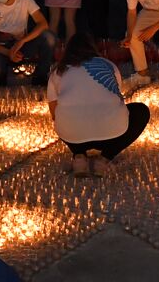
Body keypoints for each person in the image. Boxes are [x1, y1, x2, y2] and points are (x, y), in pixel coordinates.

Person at [48, 33, 150, 177]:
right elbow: (116, 97)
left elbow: (54, 113)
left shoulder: (59, 71)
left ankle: (79, 156)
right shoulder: (108, 65)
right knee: (141, 111)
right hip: (112, 135)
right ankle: (104, 159)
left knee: (64, 116)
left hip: (74, 136)